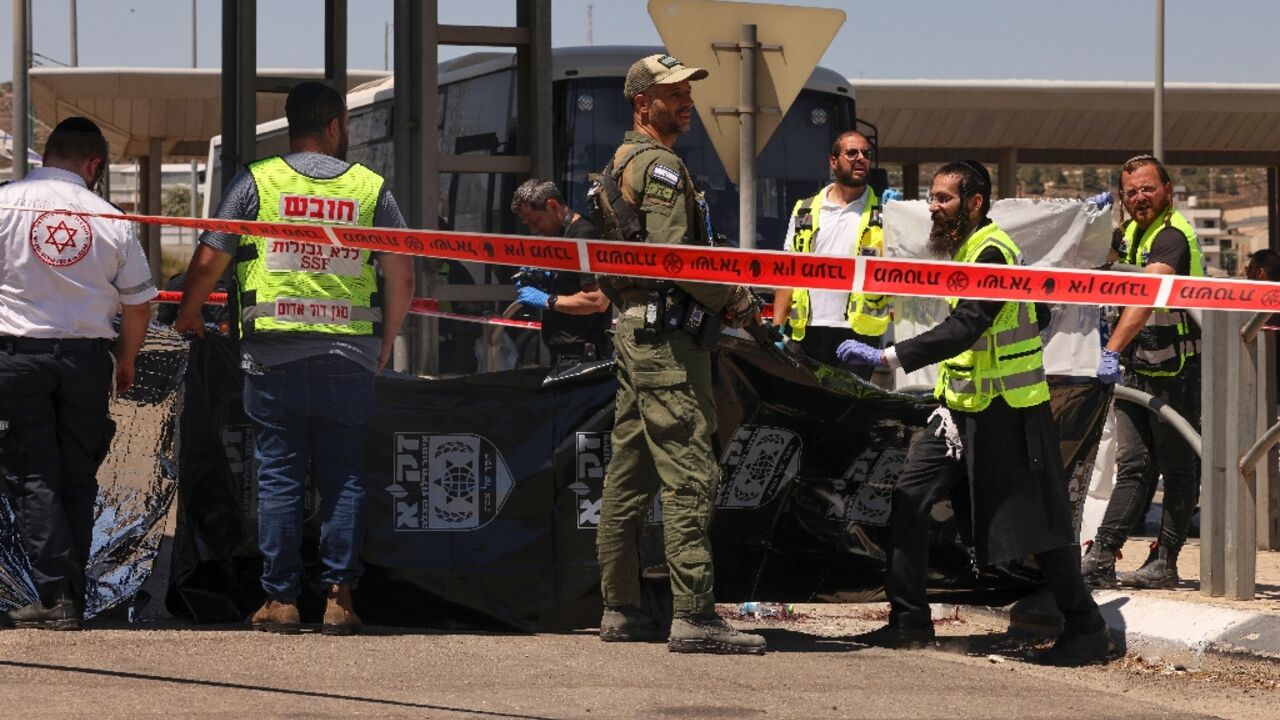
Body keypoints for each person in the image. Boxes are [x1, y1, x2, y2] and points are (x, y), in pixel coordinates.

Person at [836, 161, 1111, 666]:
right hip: (958, 411)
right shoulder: (966, 250)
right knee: (909, 497)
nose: (933, 208)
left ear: (975, 202)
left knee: (1040, 526)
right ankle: (909, 622)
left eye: (944, 199)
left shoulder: (992, 251)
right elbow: (1029, 314)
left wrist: (888, 357)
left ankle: (1086, 627)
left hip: (1009, 412)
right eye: (931, 199)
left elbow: (967, 326)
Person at [174, 81, 415, 635]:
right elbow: (402, 272)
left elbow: (212, 255)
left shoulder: (255, 182)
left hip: (272, 358)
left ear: (290, 126)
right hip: (348, 354)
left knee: (280, 476)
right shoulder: (371, 188)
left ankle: (280, 601)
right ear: (334, 126)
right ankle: (339, 599)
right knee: (344, 478)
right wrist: (386, 338)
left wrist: (189, 312)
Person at [590, 54, 765, 655]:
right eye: (673, 93)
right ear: (643, 104)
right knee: (690, 470)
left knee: (629, 473)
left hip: (635, 333)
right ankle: (694, 615)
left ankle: (620, 610)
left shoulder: (619, 164)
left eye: (689, 90)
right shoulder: (660, 165)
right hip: (668, 341)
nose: (686, 101)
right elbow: (676, 258)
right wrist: (738, 299)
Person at [0, 117, 156, 630]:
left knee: (33, 473)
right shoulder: (109, 216)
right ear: (93, 165)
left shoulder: (6, 203)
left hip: (17, 358)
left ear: (46, 155)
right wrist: (126, 359)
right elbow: (138, 305)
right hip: (87, 361)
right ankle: (70, 595)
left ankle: (56, 594)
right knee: (77, 472)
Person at [1084, 155, 1204, 590]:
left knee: (1176, 467)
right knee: (1133, 465)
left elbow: (1150, 293)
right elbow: (1096, 259)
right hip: (1138, 366)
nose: (1139, 198)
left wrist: (1111, 349)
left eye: (1148, 188)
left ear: (1168, 190)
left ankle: (1166, 560)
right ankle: (1101, 555)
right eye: (1130, 191)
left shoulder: (1172, 236)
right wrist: (1093, 223)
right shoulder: (1132, 230)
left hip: (1178, 369)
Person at [773, 131, 888, 379]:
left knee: (847, 411)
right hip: (807, 332)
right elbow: (788, 271)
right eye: (852, 153)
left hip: (859, 334)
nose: (861, 158)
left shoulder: (885, 213)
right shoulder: (805, 209)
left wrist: (901, 215)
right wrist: (777, 328)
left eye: (866, 154)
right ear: (833, 161)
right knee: (808, 409)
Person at [509, 179, 612, 367]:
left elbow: (597, 300)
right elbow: (574, 284)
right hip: (564, 356)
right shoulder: (561, 237)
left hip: (583, 358)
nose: (534, 230)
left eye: (535, 221)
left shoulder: (582, 235)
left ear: (552, 205)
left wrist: (548, 300)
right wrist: (549, 280)